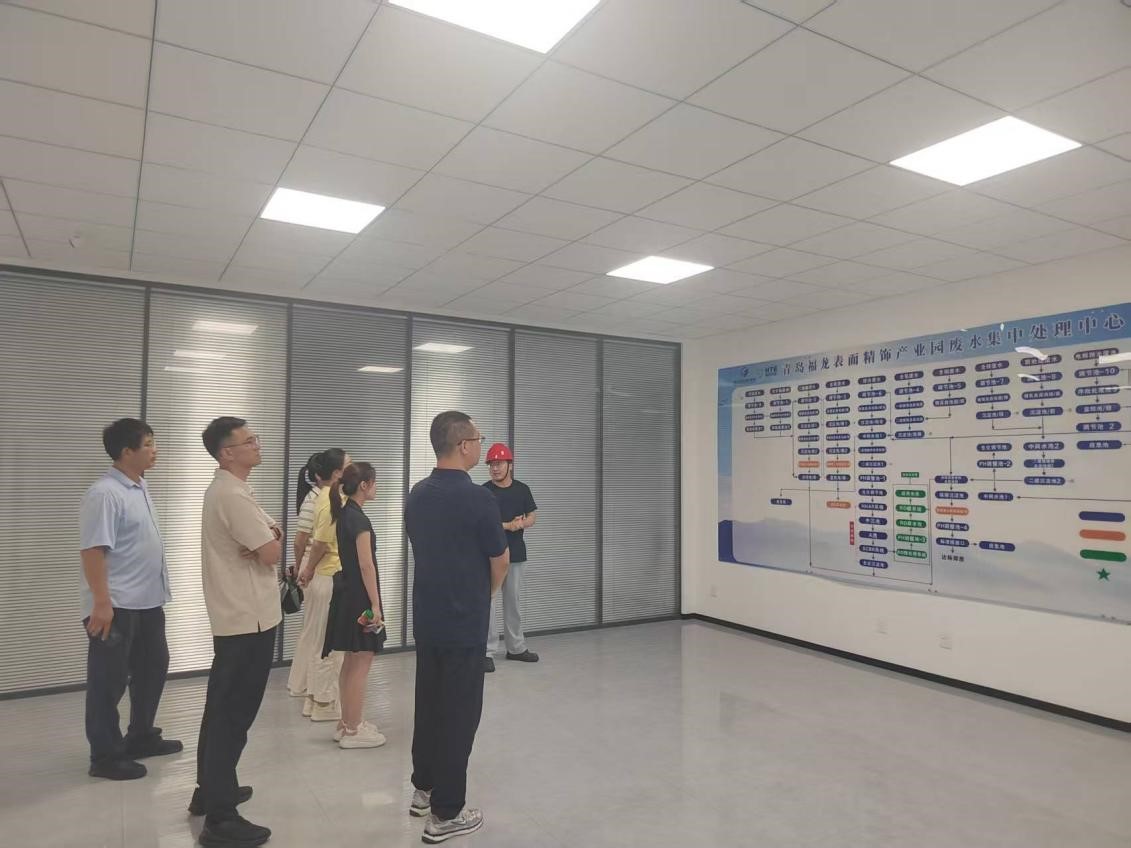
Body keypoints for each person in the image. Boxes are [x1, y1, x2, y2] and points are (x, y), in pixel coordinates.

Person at [406, 411, 509, 844]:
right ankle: (446, 814)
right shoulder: (478, 499)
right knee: (459, 715)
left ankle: (424, 789)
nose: (482, 446)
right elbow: (499, 560)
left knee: (430, 706)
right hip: (464, 623)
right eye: (479, 439)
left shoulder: (417, 494)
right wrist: (482, 597)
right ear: (464, 445)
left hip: (428, 620)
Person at [191, 416, 282, 848]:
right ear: (227, 453)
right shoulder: (230, 494)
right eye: (249, 441)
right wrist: (269, 540)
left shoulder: (235, 490)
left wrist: (269, 538)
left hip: (244, 616)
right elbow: (272, 551)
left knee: (221, 708)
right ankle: (221, 818)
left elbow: (271, 534)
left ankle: (210, 789)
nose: (257, 445)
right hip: (248, 618)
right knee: (233, 715)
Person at [80, 418, 179, 781]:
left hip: (148, 601)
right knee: (108, 682)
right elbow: (93, 550)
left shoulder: (139, 486)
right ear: (126, 452)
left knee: (153, 669)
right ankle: (105, 755)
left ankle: (140, 736)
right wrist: (101, 603)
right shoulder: (105, 493)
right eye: (148, 444)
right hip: (116, 605)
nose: (155, 450)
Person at [321, 462, 387, 748]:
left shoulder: (346, 513)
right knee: (362, 661)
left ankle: (347, 721)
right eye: (374, 482)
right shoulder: (359, 520)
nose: (376, 487)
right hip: (361, 598)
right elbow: (366, 565)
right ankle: (353, 730)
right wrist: (375, 604)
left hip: (348, 594)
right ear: (364, 485)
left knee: (351, 660)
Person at [286, 448, 349, 721]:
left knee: (313, 634)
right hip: (321, 572)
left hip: (315, 570)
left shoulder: (322, 497)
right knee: (321, 638)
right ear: (335, 474)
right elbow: (305, 540)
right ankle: (316, 695)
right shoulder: (322, 500)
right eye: (347, 466)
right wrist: (303, 568)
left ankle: (305, 688)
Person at [483, 443, 539, 672]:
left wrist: (523, 523)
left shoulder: (522, 489)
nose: (495, 468)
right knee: (488, 603)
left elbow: (532, 515)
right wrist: (508, 525)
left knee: (513, 602)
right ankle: (486, 651)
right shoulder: (484, 492)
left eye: (499, 464)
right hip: (490, 555)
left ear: (510, 465)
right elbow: (483, 523)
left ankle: (516, 648)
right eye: (491, 465)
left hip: (516, 554)